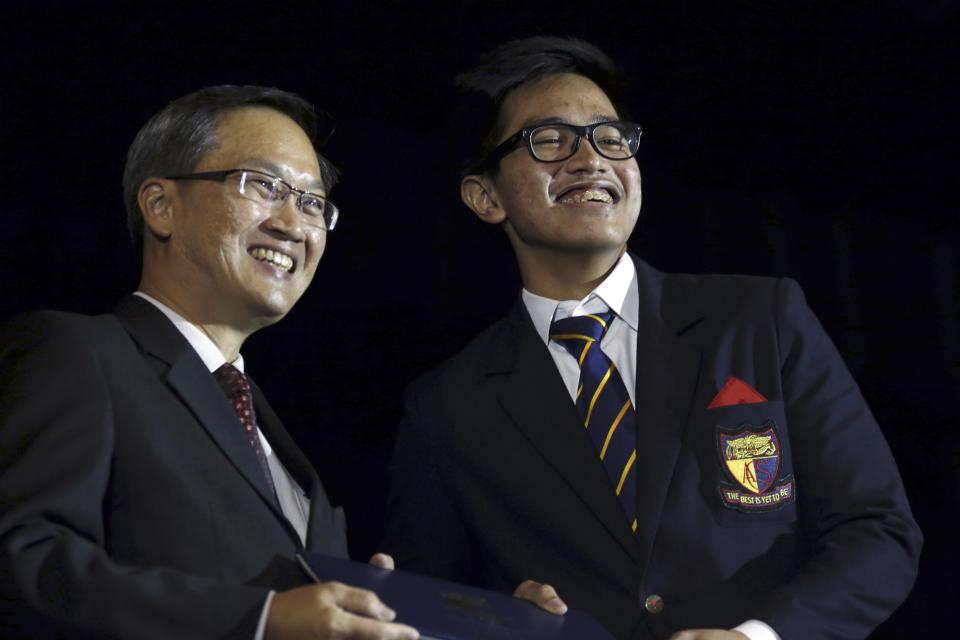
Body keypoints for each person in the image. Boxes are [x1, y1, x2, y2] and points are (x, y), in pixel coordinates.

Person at [382, 37, 922, 640]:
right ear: (486, 197)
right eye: (551, 140)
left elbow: (878, 531)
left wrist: (757, 638)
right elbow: (429, 607)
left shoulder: (758, 318)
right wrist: (496, 617)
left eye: (610, 138)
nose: (590, 160)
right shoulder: (447, 406)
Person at [0, 86, 418, 640]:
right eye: (265, 186)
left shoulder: (285, 452)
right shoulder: (77, 353)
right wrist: (261, 621)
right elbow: (20, 563)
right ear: (160, 206)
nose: (294, 223)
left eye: (313, 202)